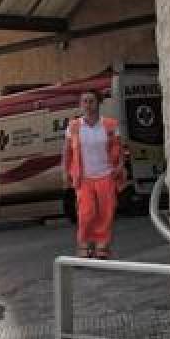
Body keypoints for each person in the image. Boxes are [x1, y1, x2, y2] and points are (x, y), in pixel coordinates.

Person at [63, 89, 125, 259]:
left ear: (98, 103)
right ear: (80, 104)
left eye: (91, 101)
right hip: (84, 177)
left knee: (106, 212)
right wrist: (65, 171)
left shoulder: (110, 124)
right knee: (86, 213)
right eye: (84, 101)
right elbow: (67, 151)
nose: (88, 105)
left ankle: (101, 246)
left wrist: (120, 165)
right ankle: (84, 243)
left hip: (106, 174)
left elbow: (119, 148)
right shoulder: (74, 126)